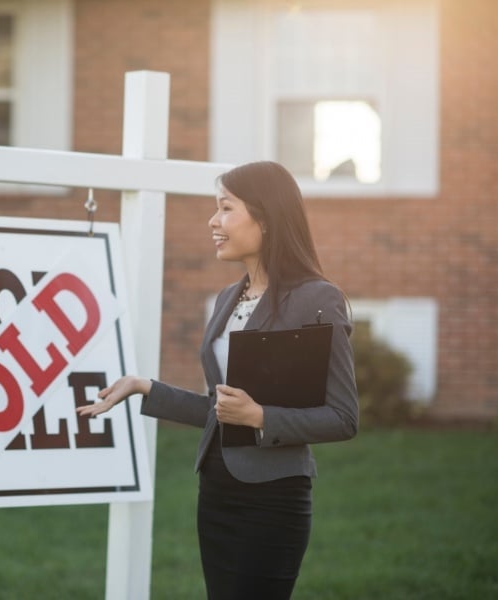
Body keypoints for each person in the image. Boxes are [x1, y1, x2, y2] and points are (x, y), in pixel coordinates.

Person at [77, 161, 358, 599]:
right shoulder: (228, 298)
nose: (213, 221)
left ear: (265, 218)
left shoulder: (317, 299)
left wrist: (261, 415)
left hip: (273, 500)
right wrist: (145, 387)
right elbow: (221, 409)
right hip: (216, 490)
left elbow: (343, 417)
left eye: (226, 209)